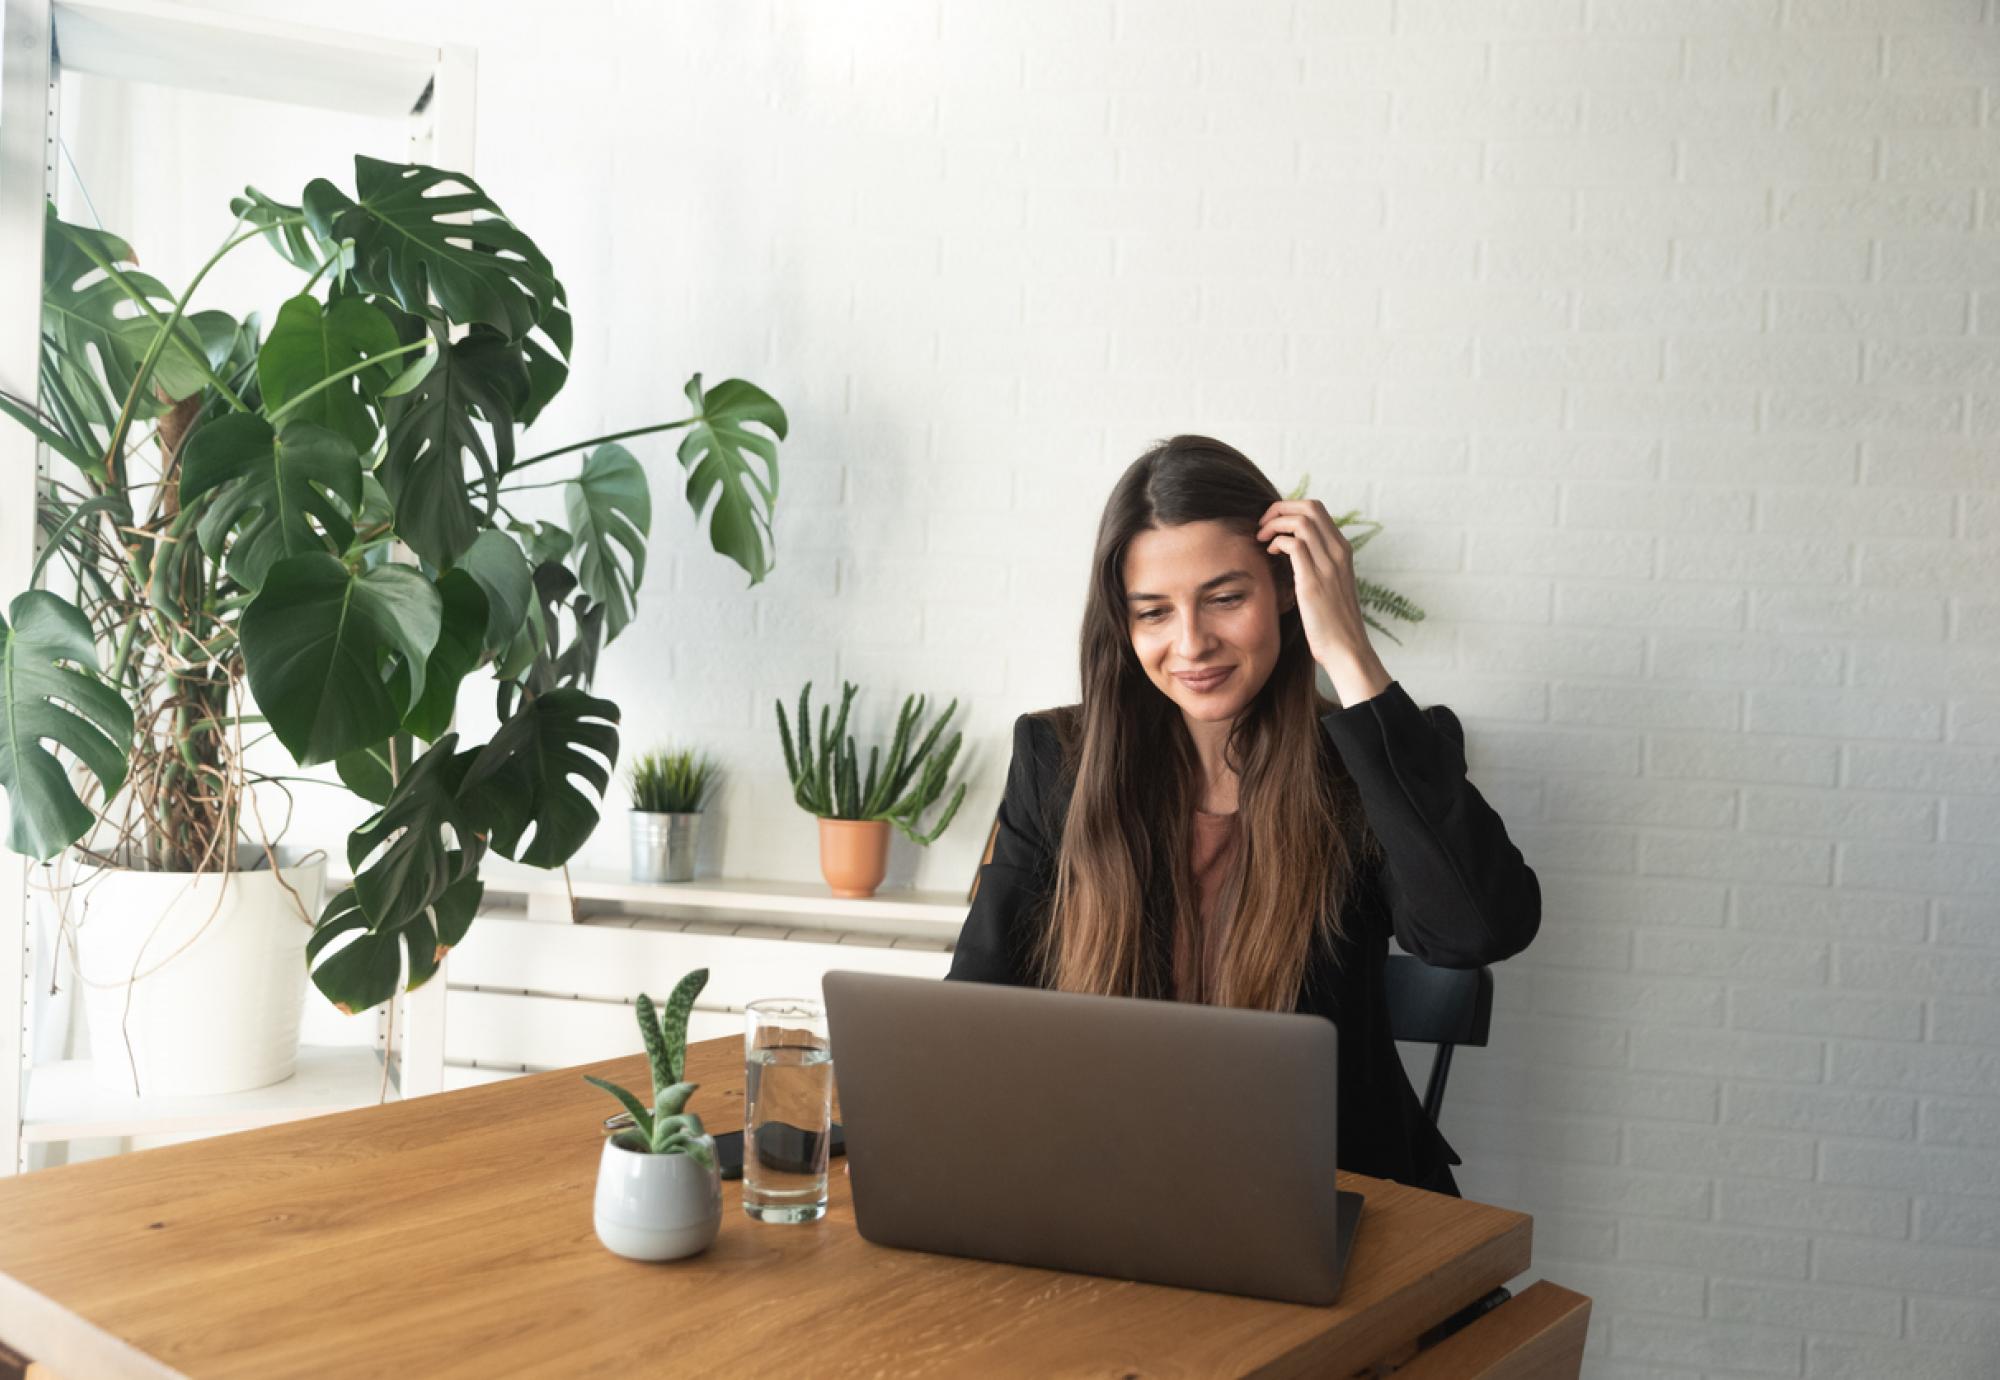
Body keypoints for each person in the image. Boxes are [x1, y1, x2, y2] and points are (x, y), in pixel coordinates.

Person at [947, 434, 1541, 1196]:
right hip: (1111, 1190)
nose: (1191, 644)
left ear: (1289, 589)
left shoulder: (1370, 762)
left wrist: (1351, 652)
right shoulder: (1055, 760)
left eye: (1227, 598)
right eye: (1153, 612)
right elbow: (974, 1010)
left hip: (1332, 1197)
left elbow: (1477, 930)